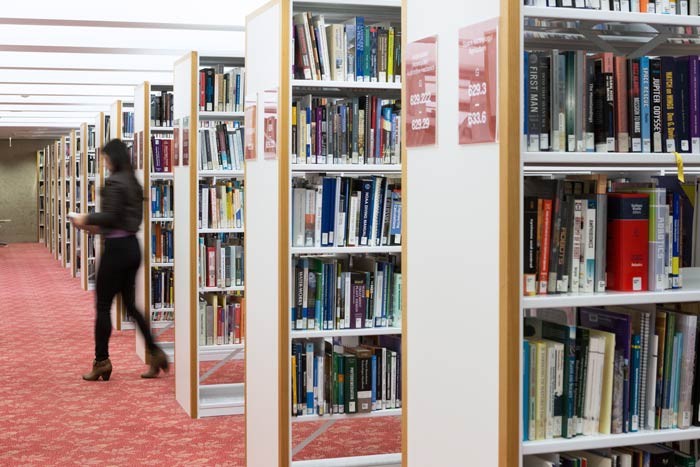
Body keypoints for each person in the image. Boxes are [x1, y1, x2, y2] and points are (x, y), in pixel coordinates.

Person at [71, 139, 168, 381]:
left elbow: (111, 216)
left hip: (116, 250)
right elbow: (122, 220)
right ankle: (155, 353)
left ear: (114, 158)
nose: (104, 164)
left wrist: (85, 217)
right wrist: (95, 227)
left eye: (105, 159)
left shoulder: (115, 182)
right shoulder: (134, 183)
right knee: (131, 306)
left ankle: (101, 361)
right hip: (132, 247)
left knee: (103, 306)